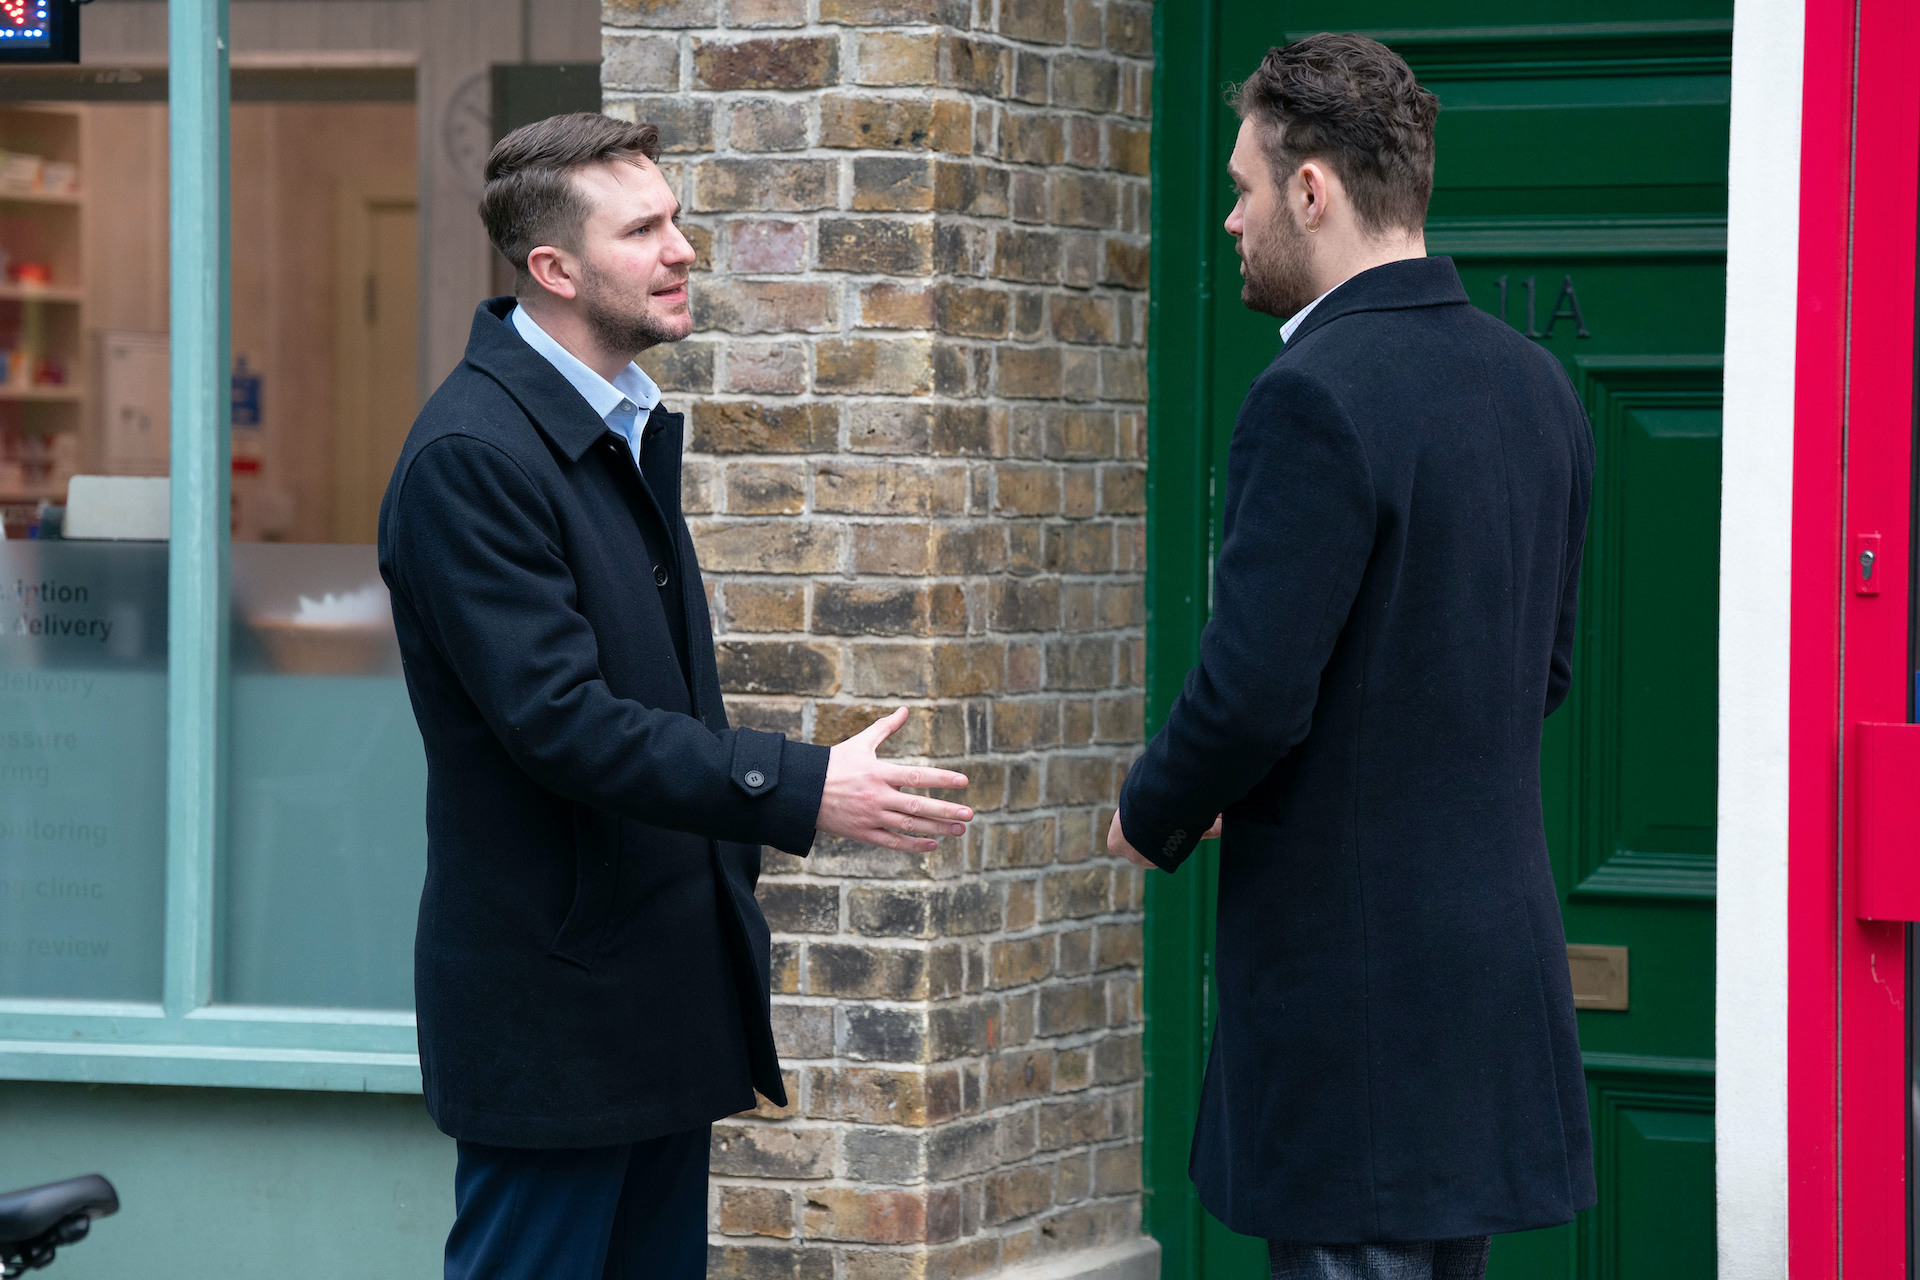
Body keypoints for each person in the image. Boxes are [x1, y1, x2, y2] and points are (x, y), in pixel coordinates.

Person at [377, 113, 974, 1280]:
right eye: (643, 228)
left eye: (677, 219)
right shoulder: (475, 456)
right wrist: (804, 786)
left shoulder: (612, 428)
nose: (683, 248)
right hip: (556, 1017)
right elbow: (563, 720)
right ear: (554, 269)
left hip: (649, 998)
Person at [1106, 34, 1596, 1280]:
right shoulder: (1538, 385)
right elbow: (1537, 672)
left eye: (1245, 187)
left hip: (1354, 990)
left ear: (1311, 188)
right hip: (1485, 971)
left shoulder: (1312, 392)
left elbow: (1255, 690)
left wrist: (1158, 805)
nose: (1230, 218)